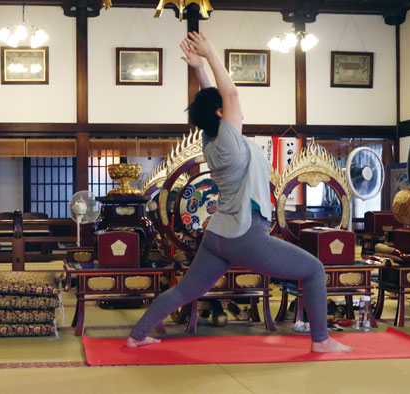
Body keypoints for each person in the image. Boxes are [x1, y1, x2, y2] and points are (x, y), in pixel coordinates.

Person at [125, 32, 352, 353]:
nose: (237, 111)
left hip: (218, 234)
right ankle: (321, 341)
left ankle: (137, 335)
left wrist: (199, 69)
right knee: (314, 270)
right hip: (246, 234)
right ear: (221, 114)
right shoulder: (230, 139)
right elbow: (228, 94)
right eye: (227, 109)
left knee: (186, 290)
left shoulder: (211, 138)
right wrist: (210, 53)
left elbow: (213, 100)